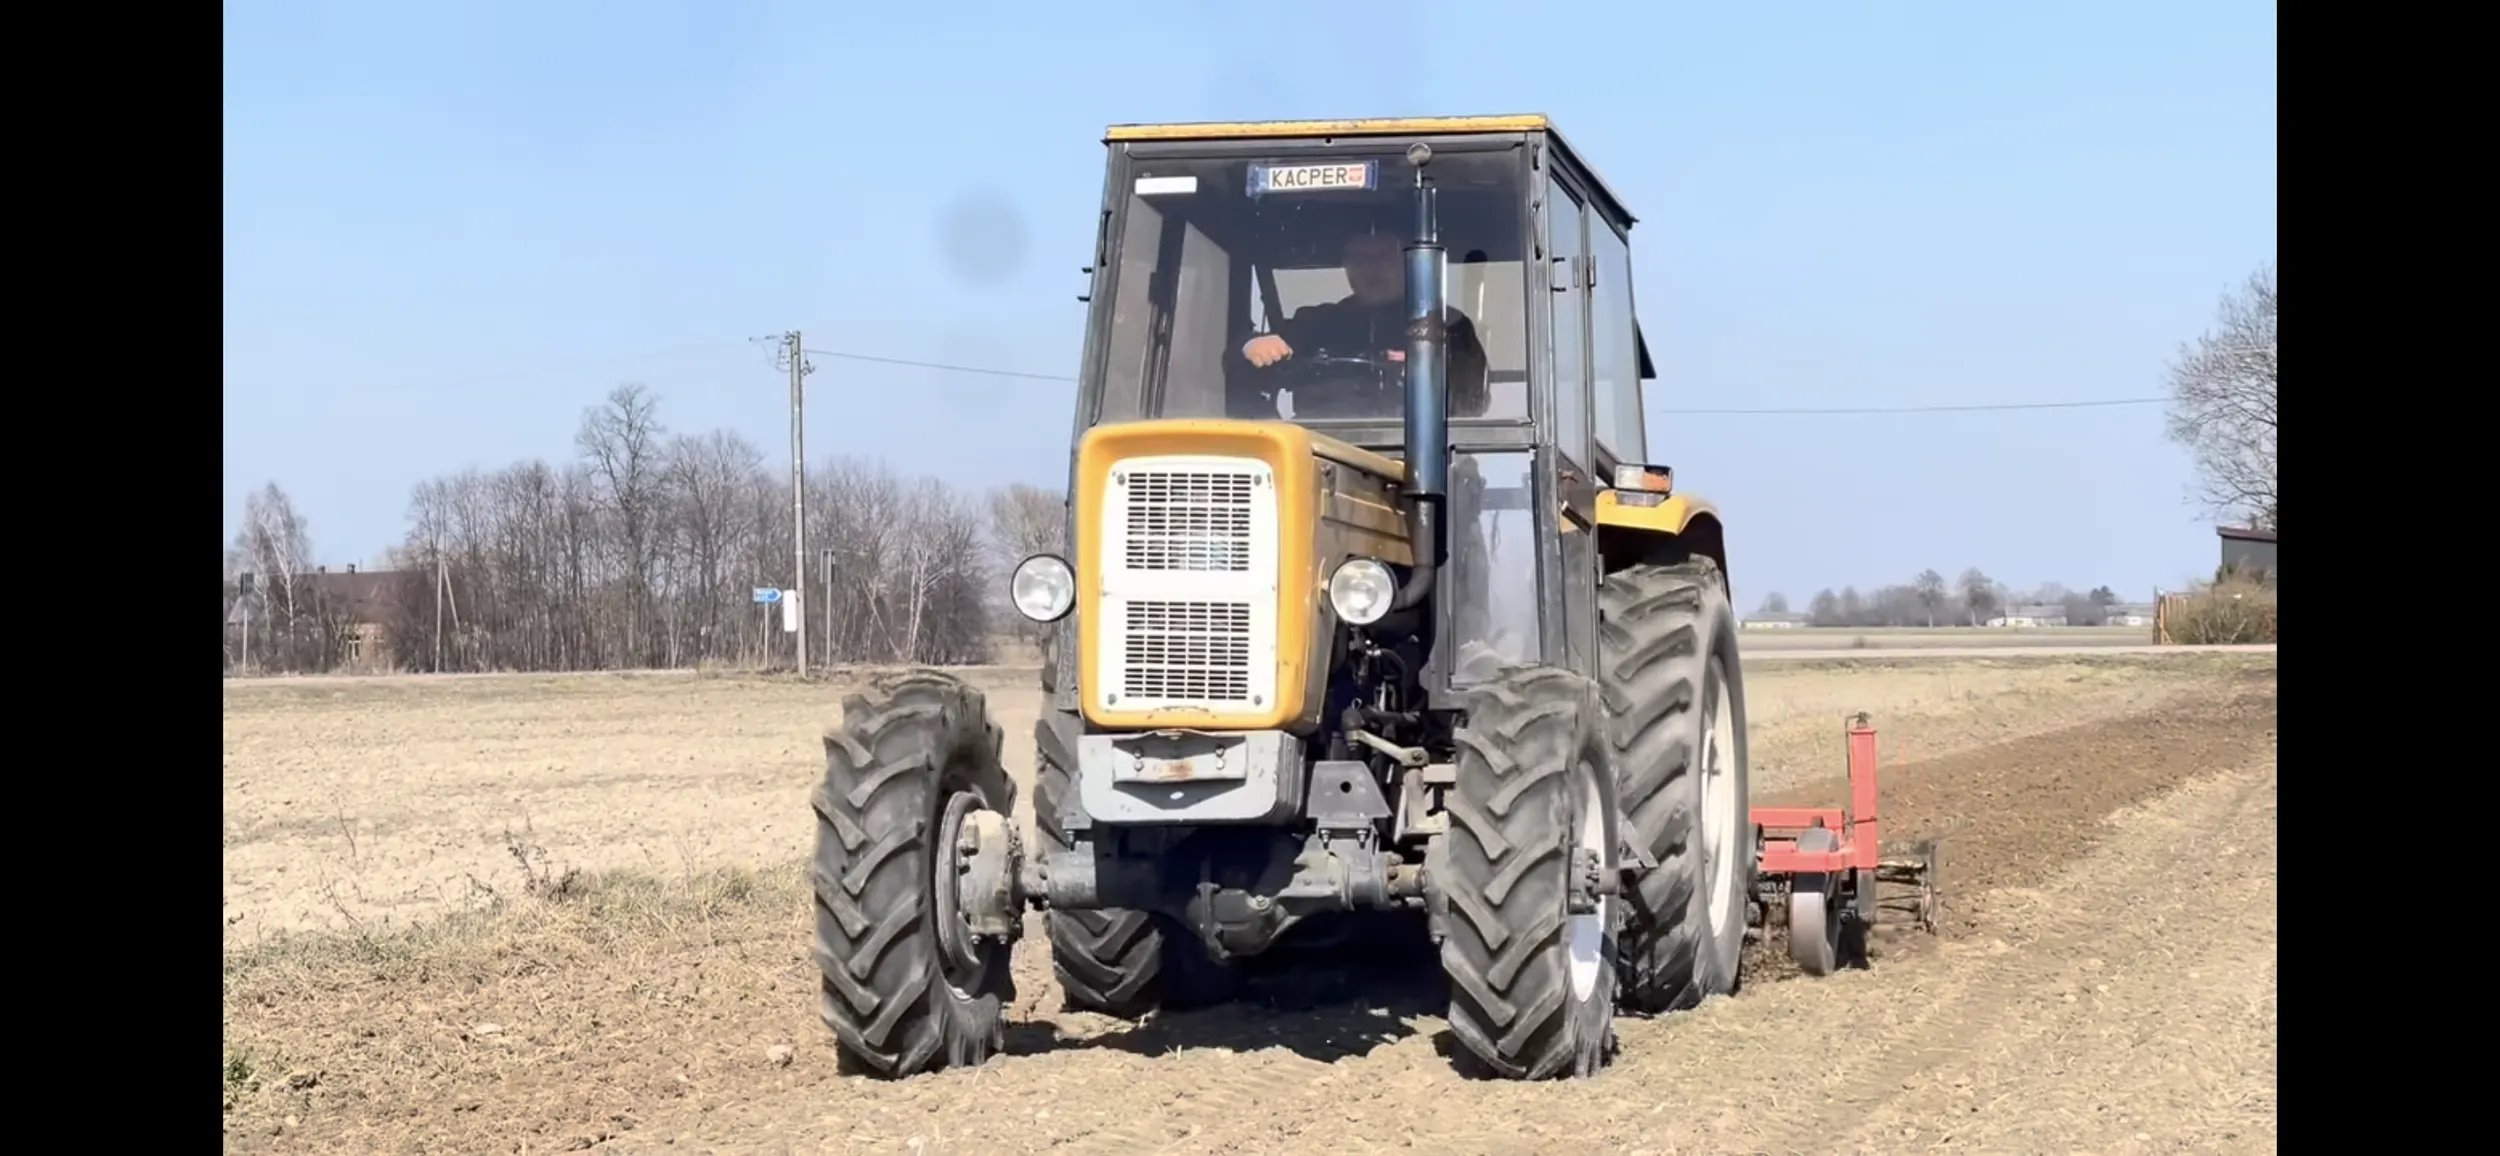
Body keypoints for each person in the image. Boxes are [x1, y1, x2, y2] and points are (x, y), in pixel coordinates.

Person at [1239, 231, 1492, 418]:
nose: (1371, 268)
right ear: (1346, 266)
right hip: (1320, 451)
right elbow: (1237, 368)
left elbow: (1474, 401)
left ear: (1406, 262)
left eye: (1382, 257)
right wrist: (1252, 346)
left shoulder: (1448, 325)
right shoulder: (1316, 323)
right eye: (1359, 259)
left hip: (1418, 458)